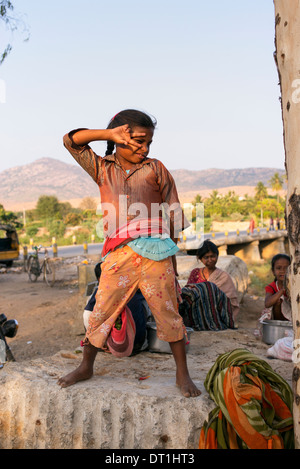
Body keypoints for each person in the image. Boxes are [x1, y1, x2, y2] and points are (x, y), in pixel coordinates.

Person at [57, 109, 200, 398]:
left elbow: (173, 213)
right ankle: (87, 366)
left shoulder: (156, 168)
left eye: (148, 142)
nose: (144, 148)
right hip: (118, 255)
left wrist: (172, 259)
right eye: (137, 141)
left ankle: (182, 374)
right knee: (102, 311)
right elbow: (70, 141)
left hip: (156, 253)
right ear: (120, 137)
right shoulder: (102, 168)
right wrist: (108, 134)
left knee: (168, 312)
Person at [83, 262, 148, 353]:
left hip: (119, 346)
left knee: (92, 309)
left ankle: (101, 344)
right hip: (139, 345)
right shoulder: (134, 286)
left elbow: (87, 315)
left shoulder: (101, 291)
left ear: (99, 279)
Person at [187, 240, 239, 320]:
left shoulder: (224, 277)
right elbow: (188, 294)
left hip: (217, 317)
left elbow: (231, 302)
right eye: (206, 257)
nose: (210, 260)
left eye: (212, 256)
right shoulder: (195, 273)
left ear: (217, 256)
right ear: (200, 259)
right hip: (197, 316)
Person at [264, 254, 291, 321]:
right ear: (273, 271)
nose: (283, 271)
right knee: (277, 301)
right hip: (279, 320)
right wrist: (282, 290)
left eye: (286, 268)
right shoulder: (271, 287)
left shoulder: (295, 286)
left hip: (294, 317)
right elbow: (267, 304)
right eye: (279, 268)